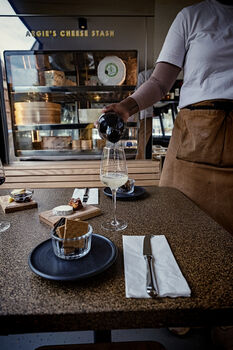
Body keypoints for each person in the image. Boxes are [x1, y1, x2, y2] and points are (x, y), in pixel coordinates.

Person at [103, 0, 233, 236]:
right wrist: (126, 107)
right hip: (197, 136)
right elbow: (159, 82)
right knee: (177, 222)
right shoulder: (192, 17)